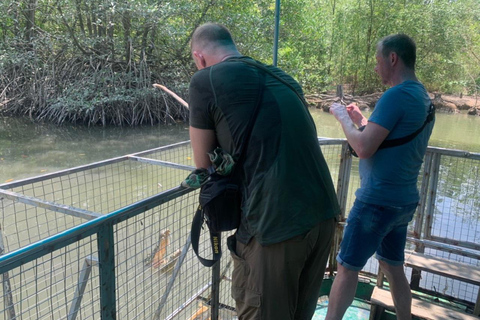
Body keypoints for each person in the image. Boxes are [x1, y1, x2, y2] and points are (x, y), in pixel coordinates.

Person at [188, 23, 340, 319]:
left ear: (200, 57)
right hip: (323, 213)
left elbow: (203, 166)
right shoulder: (281, 77)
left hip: (276, 224)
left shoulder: (204, 80)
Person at [326, 34, 435, 320]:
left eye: (377, 61)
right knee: (392, 266)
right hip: (403, 202)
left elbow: (362, 148)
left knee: (347, 268)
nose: (375, 68)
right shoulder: (422, 96)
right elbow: (393, 138)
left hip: (377, 202)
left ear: (393, 59)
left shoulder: (396, 95)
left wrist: (341, 117)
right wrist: (362, 120)